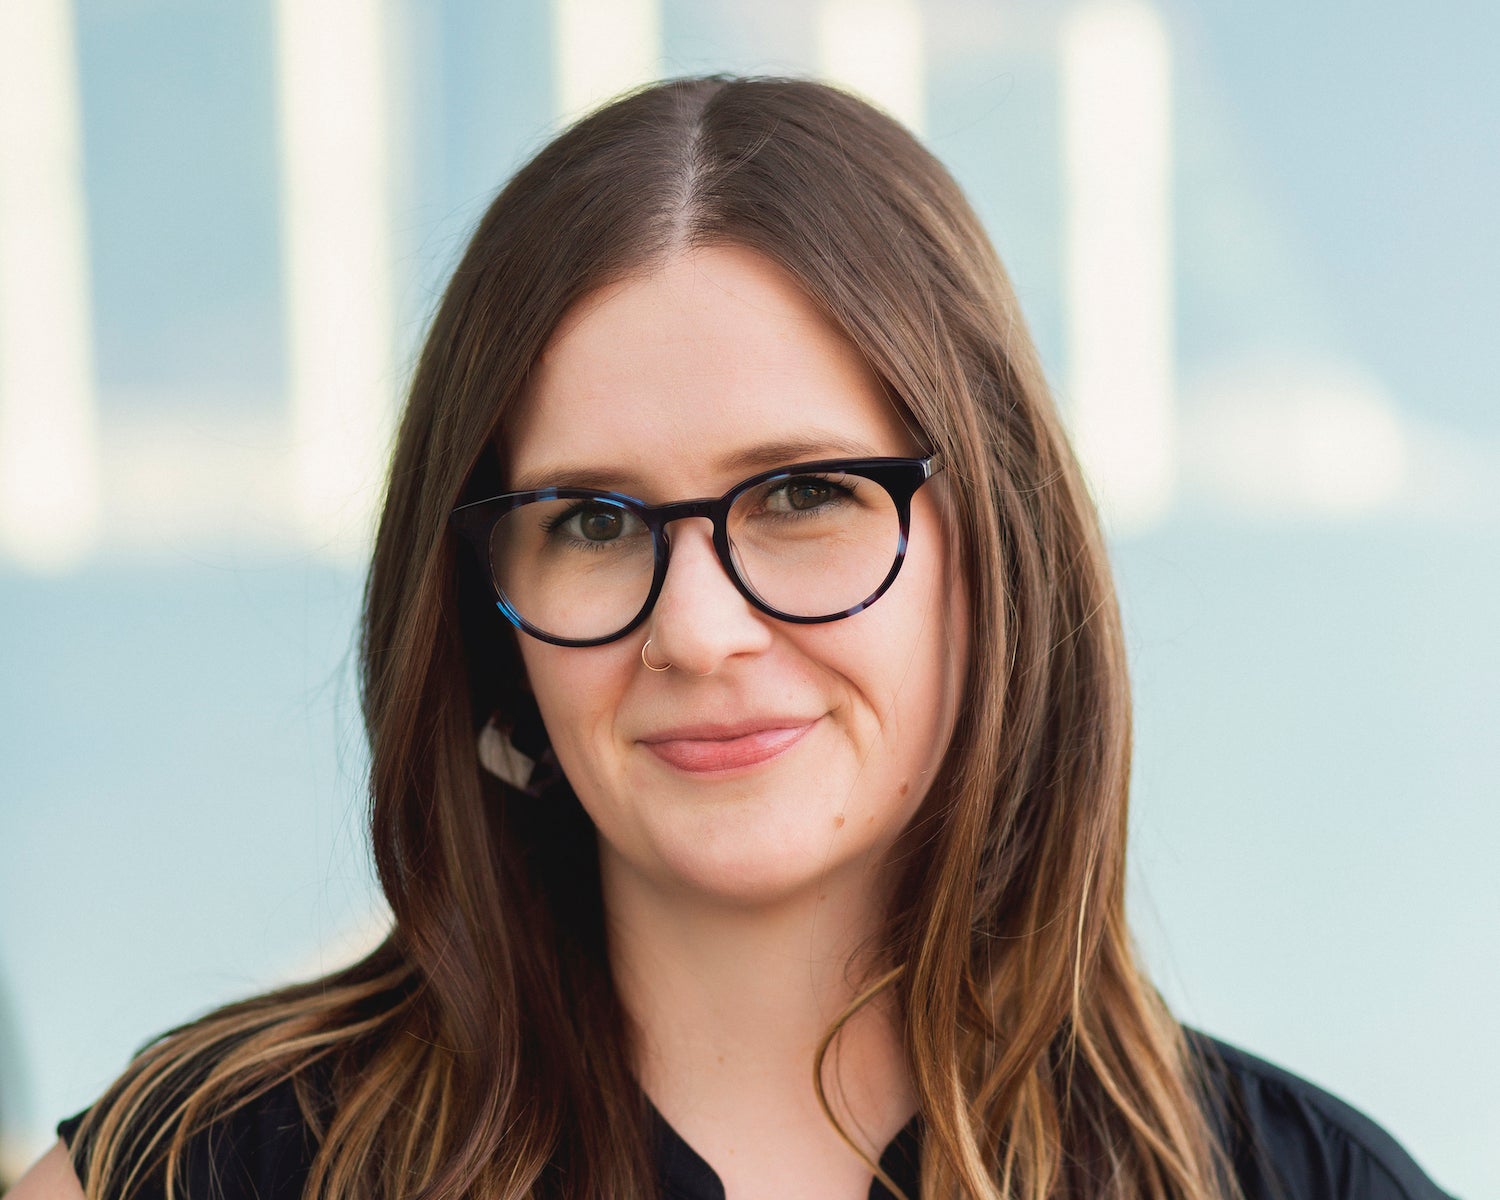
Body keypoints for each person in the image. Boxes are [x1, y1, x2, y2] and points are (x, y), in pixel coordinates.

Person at [11, 75, 1452, 1200]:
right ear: (481, 604)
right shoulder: (196, 1170)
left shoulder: (1300, 1184)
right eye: (589, 519)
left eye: (807, 495)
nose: (698, 630)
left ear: (996, 553)